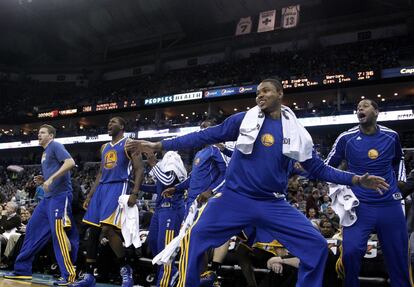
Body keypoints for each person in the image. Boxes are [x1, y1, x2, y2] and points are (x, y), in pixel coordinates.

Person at [126, 78, 388, 287]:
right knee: (195, 238)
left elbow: (319, 169)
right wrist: (159, 144)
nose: (259, 95)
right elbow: (204, 136)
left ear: (280, 94)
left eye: (266, 91)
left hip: (272, 203)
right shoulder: (243, 120)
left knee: (318, 247)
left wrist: (354, 178)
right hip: (233, 198)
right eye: (257, 92)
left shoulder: (296, 133)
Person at [325, 99, 412, 287]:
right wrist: (343, 185)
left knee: (398, 256)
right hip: (359, 206)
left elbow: (398, 160)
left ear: (377, 112)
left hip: (389, 204)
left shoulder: (392, 136)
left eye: (365, 106)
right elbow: (326, 167)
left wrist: (400, 182)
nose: (360, 109)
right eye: (358, 107)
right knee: (350, 253)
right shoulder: (345, 138)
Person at [70, 117, 144, 287]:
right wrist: (89, 195)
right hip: (102, 189)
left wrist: (135, 193)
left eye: (113, 122)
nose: (109, 124)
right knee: (93, 231)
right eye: (108, 122)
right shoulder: (104, 147)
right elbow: (101, 174)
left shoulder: (129, 143)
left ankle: (126, 270)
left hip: (119, 186)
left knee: (108, 230)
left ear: (122, 126)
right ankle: (89, 276)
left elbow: (140, 169)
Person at [4, 124, 79, 286]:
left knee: (58, 235)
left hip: (60, 197)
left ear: (51, 136)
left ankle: (69, 275)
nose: (39, 135)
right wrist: (45, 179)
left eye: (42, 133)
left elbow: (70, 162)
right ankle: (22, 270)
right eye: (38, 132)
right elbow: (55, 172)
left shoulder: (55, 145)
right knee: (32, 229)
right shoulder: (45, 152)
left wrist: (51, 179)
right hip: (48, 198)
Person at [140, 151, 187, 287]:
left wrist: (153, 164)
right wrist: (138, 186)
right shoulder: (164, 163)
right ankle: (168, 271)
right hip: (160, 209)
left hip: (171, 208)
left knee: (165, 246)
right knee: (153, 241)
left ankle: (166, 278)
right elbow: (160, 187)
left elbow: (168, 181)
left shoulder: (173, 157)